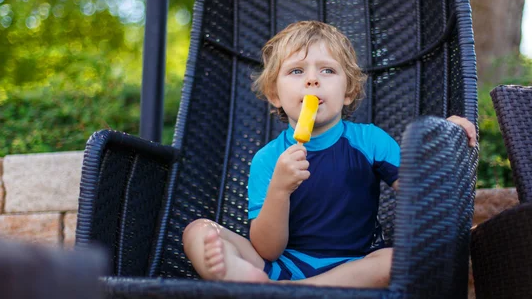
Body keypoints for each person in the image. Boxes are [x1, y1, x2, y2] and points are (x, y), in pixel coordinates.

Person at [182, 21, 477, 287]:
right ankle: (236, 274)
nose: (312, 80)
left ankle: (283, 293)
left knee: (392, 262)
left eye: (327, 70)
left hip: (354, 267)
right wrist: (279, 189)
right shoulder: (268, 159)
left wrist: (440, 138)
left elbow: (422, 196)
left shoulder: (370, 141)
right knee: (197, 230)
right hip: (283, 266)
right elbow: (267, 249)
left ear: (347, 91)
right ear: (275, 95)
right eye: (297, 71)